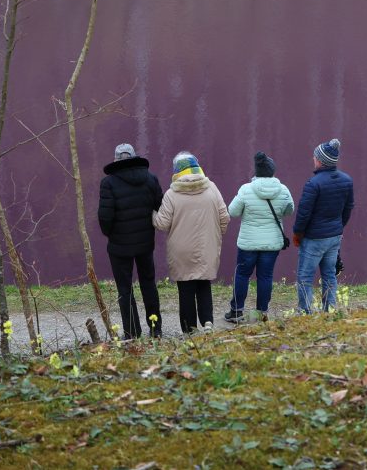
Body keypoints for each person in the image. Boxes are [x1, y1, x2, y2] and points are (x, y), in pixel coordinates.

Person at [153, 151, 229, 333]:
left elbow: (162, 223)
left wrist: (152, 213)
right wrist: (216, 236)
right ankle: (208, 322)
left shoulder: (172, 194)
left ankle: (189, 329)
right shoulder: (212, 188)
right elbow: (224, 217)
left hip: (181, 250)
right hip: (206, 246)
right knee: (204, 284)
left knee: (185, 289)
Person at [97, 142, 163, 339]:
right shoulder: (151, 179)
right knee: (149, 284)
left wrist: (111, 234)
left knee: (125, 289)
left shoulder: (108, 183)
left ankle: (132, 332)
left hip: (119, 246)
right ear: (134, 156)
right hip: (145, 243)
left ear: (116, 159)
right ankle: (155, 328)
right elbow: (159, 206)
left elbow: (105, 218)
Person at [223, 151, 295, 323]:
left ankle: (236, 312)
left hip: (248, 243)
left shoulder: (246, 189)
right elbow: (289, 210)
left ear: (256, 171)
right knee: (265, 277)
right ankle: (261, 313)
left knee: (242, 275)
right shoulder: (283, 189)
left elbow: (232, 211)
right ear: (272, 171)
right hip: (271, 244)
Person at [293, 138, 354, 313]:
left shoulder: (313, 184)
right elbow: (348, 208)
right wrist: (339, 227)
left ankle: (304, 311)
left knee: (305, 276)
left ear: (321, 160)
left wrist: (298, 234)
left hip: (314, 238)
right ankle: (330, 310)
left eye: (315, 156)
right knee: (329, 275)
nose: (313, 159)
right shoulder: (347, 180)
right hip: (334, 236)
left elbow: (303, 213)